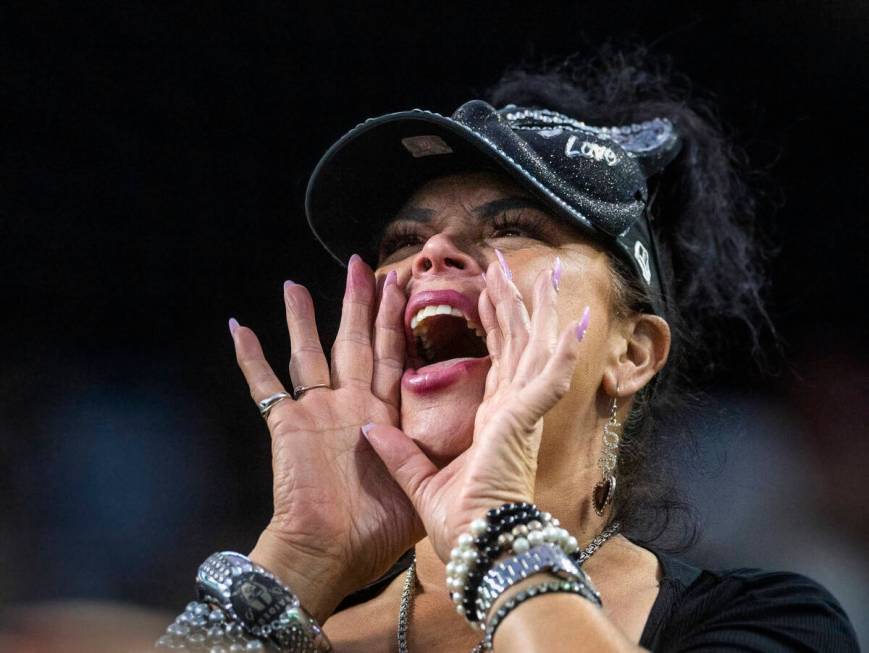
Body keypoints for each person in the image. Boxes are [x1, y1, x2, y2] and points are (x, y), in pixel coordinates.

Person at [155, 51, 859, 652]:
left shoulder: (767, 621)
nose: (430, 254)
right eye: (402, 242)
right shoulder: (310, 629)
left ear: (633, 351)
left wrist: (495, 532)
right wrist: (294, 562)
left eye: (513, 228)